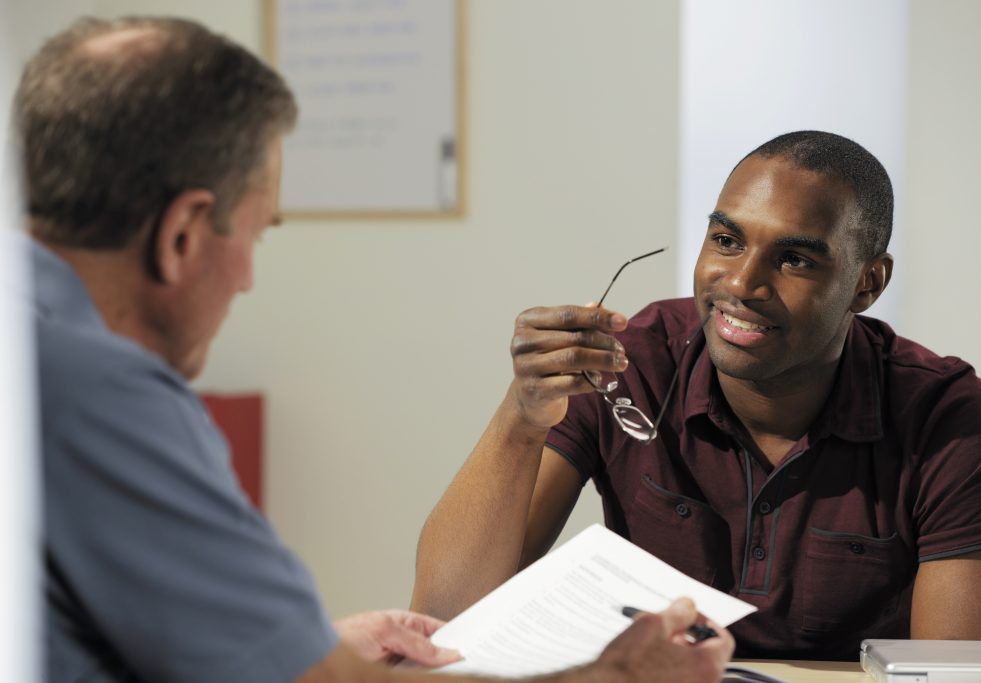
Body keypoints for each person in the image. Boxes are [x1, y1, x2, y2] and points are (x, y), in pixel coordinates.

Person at [18, 15, 734, 683]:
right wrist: (612, 676)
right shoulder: (104, 395)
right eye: (257, 234)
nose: (247, 278)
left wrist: (307, 641)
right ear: (183, 235)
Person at [412, 130, 981, 661]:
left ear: (868, 283)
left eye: (794, 260)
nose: (740, 283)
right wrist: (521, 418)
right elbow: (445, 618)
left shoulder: (951, 419)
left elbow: (960, 673)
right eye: (727, 241)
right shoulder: (631, 362)